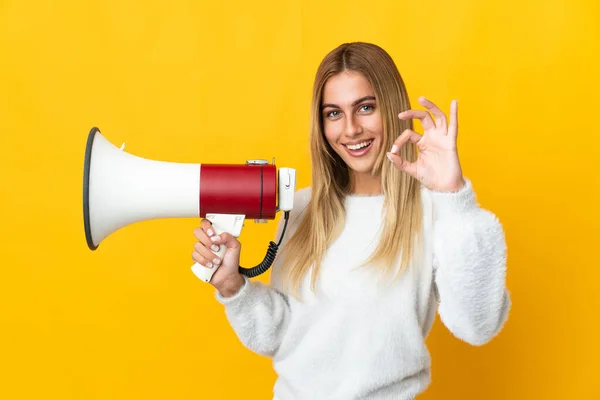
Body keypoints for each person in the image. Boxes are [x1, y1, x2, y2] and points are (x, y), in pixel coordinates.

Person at [191, 42, 511, 400]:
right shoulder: (300, 209)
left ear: (391, 107)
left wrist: (454, 196)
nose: (351, 129)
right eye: (333, 113)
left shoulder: (436, 212)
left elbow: (478, 325)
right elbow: (279, 336)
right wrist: (233, 286)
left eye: (366, 107)